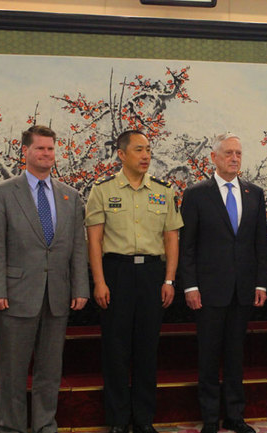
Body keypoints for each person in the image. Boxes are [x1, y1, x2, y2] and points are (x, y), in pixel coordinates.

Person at [0, 125, 89, 433]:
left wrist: (80, 287)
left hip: (57, 295)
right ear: (25, 152)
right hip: (15, 295)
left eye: (51, 149)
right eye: (40, 148)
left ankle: (45, 424)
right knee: (14, 371)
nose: (46, 154)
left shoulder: (71, 196)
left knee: (49, 369)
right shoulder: (3, 193)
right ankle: (12, 427)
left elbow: (77, 248)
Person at [85, 130, 182, 433]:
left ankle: (143, 420)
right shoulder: (102, 189)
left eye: (149, 150)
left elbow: (171, 239)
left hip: (153, 274)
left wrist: (169, 279)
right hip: (117, 273)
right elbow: (95, 241)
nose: (145, 156)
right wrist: (99, 282)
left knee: (147, 349)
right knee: (115, 349)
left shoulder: (163, 190)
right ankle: (116, 420)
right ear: (121, 154)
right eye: (139, 150)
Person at [179, 133, 267, 433]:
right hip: (207, 291)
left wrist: (261, 283)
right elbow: (187, 245)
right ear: (213, 158)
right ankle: (209, 419)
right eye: (228, 153)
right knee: (208, 356)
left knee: (235, 356)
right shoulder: (196, 194)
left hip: (243, 290)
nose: (234, 158)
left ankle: (234, 415)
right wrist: (189, 286)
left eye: (239, 154)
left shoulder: (254, 193)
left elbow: (259, 244)